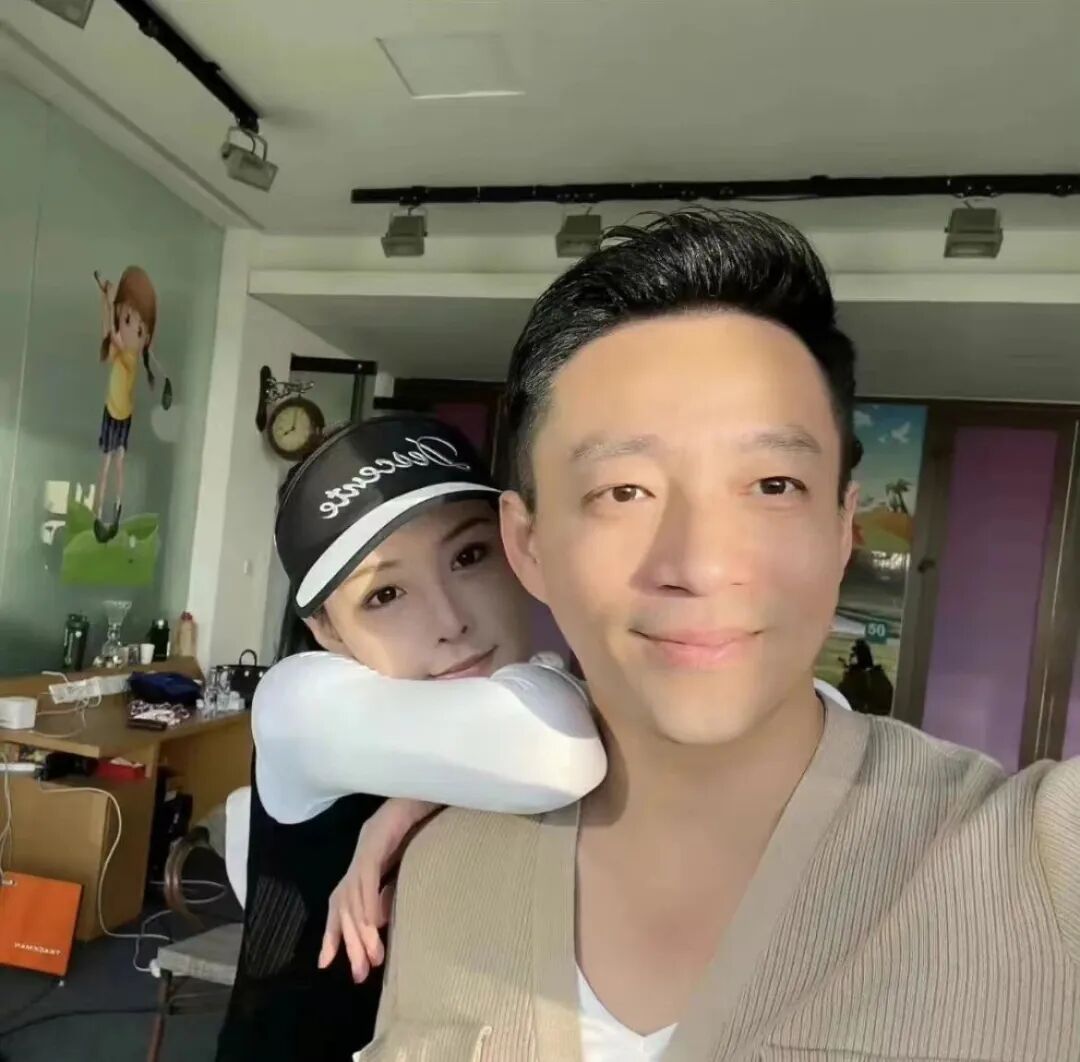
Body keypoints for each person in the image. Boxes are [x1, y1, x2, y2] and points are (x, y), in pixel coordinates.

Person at [364, 210, 1080, 1061]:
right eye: (623, 492)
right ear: (529, 546)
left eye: (773, 485)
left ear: (842, 530)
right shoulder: (442, 867)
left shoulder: (1040, 867)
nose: (700, 565)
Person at [215, 415, 607, 1062]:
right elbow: (553, 746)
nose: (450, 621)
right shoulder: (298, 702)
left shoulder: (524, 698)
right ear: (327, 630)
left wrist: (397, 813)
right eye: (386, 593)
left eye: (470, 556)